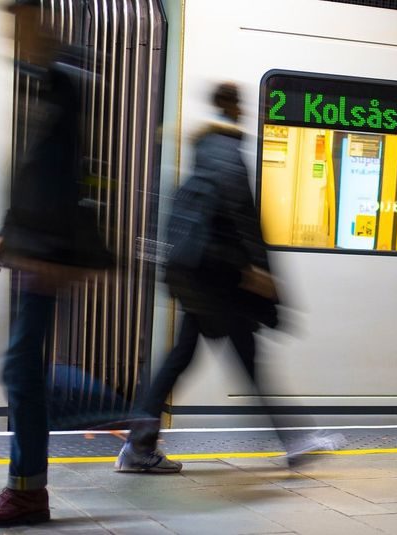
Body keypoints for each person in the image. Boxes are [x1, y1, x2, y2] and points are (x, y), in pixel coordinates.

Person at [114, 83, 341, 473]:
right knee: (246, 361)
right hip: (222, 279)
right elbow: (241, 215)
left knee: (184, 357)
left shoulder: (204, 152)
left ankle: (138, 446)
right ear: (235, 108)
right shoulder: (227, 153)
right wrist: (258, 270)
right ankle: (295, 440)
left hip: (200, 275)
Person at [0, 1, 112, 526]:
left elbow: (63, 174)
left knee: (20, 367)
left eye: (16, 22)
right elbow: (32, 170)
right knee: (22, 366)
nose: (10, 35)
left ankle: (29, 489)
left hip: (47, 253)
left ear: (37, 20)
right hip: (37, 247)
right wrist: (8, 227)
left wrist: (47, 251)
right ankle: (122, 415)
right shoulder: (45, 81)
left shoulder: (63, 84)